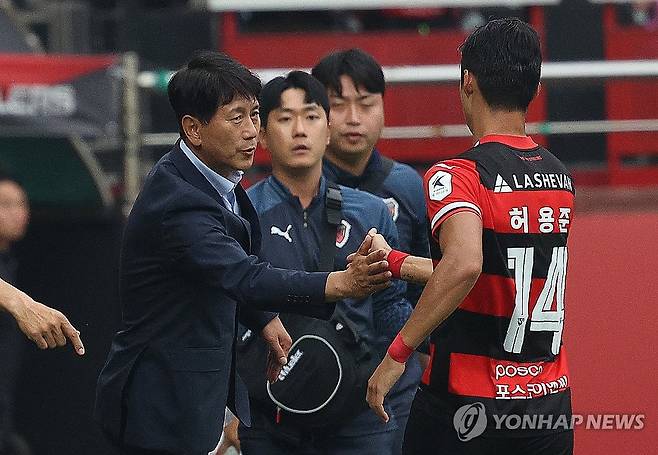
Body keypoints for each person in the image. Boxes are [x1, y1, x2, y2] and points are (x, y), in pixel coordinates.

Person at [94, 51, 392, 455]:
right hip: (161, 403)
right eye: (237, 118)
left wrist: (264, 320)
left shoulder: (213, 176)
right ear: (193, 129)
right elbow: (244, 275)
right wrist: (342, 282)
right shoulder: (179, 202)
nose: (253, 131)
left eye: (254, 115)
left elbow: (229, 276)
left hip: (196, 395)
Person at [365, 18, 575, 454]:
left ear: (467, 82)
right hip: (549, 407)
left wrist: (395, 356)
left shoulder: (457, 175)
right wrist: (397, 261)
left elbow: (464, 264)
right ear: (534, 90)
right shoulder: (559, 177)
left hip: (467, 407)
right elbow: (486, 272)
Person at [237, 71, 406, 454]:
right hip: (270, 414)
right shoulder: (242, 213)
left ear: (327, 130)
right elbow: (228, 311)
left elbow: (391, 303)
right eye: (284, 118)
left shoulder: (372, 211)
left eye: (311, 116)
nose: (300, 130)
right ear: (262, 135)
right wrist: (232, 411)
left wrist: (404, 364)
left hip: (360, 410)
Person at [312, 48, 428, 451]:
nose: (354, 118)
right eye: (337, 105)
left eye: (366, 103)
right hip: (315, 379)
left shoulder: (409, 185)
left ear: (383, 108)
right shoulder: (295, 189)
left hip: (398, 382)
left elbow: (427, 293)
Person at [0, 175, 84, 455]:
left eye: (22, 204)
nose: (18, 213)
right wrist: (19, 303)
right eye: (6, 204)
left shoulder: (12, 263)